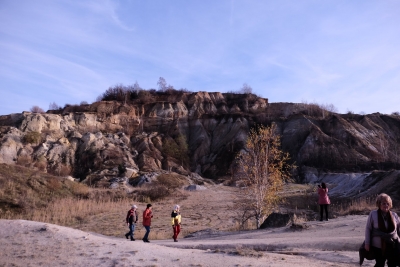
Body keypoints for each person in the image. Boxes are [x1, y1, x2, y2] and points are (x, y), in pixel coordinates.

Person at [365, 193, 400, 267]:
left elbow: (398, 230)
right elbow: (368, 228)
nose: (386, 205)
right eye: (384, 203)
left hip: (392, 245)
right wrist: (367, 243)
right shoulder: (373, 214)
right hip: (377, 246)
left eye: (388, 203)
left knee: (392, 264)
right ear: (379, 204)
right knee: (380, 264)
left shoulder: (394, 215)